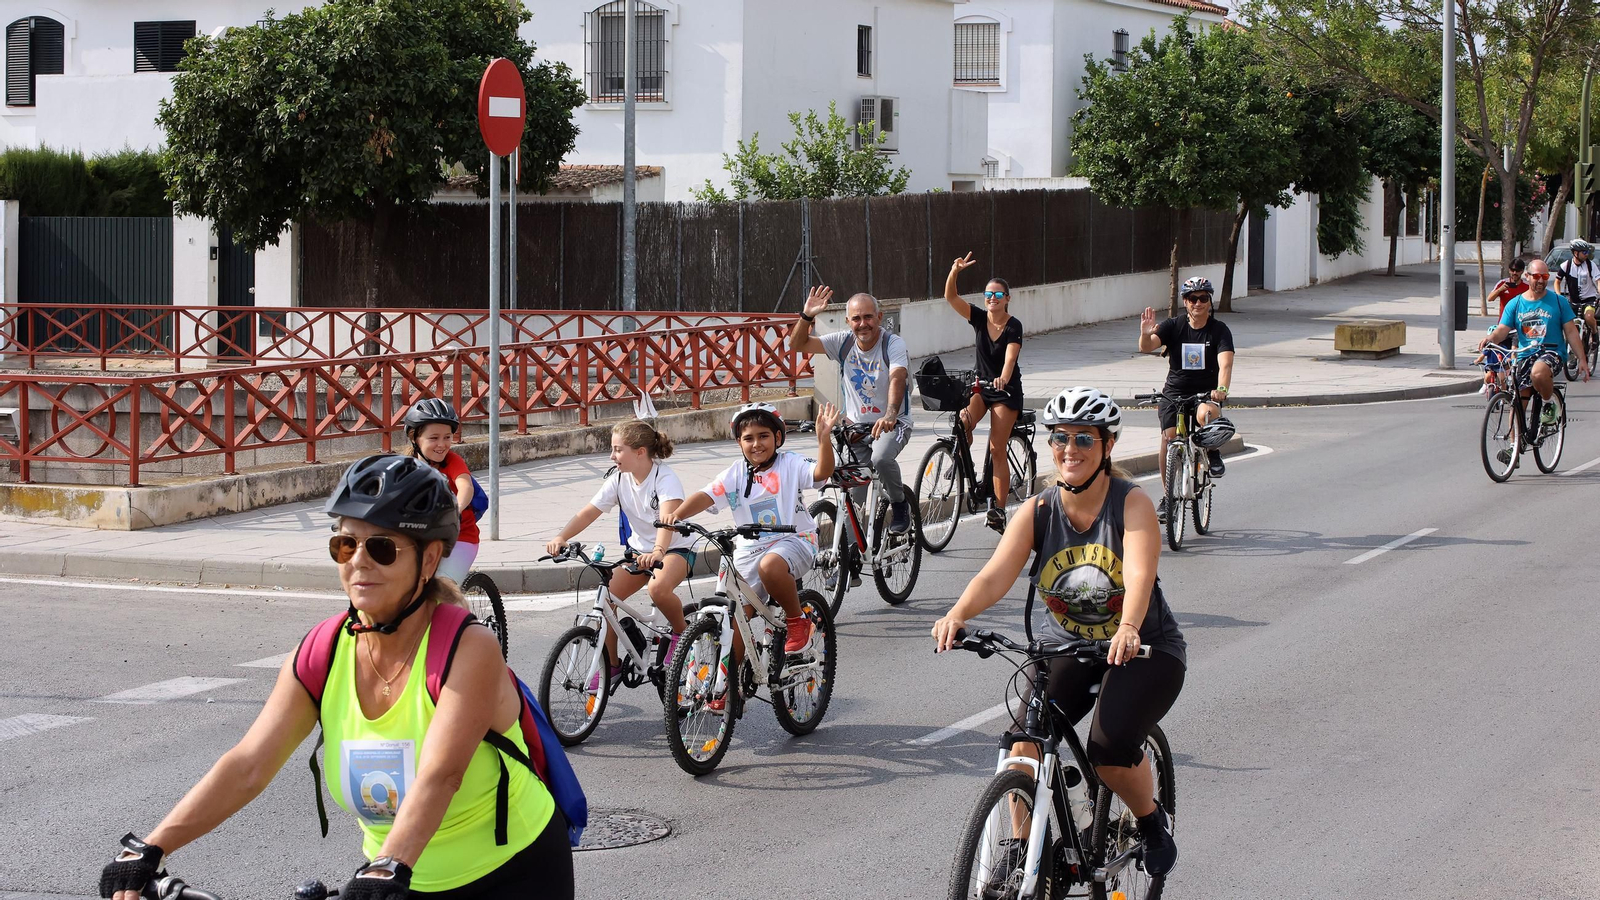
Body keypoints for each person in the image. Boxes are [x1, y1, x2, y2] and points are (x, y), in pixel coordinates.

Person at [99, 455, 574, 900]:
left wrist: (389, 864)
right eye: (345, 544)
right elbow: (248, 764)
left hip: (512, 873)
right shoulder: (323, 652)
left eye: (381, 547)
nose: (358, 561)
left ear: (429, 561)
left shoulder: (467, 649)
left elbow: (441, 774)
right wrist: (152, 846)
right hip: (394, 879)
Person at [931, 386, 1185, 877]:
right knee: (1021, 748)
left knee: (1108, 752)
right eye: (1060, 438)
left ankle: (1152, 822)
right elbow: (995, 574)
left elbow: (1137, 576)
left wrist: (1129, 626)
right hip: (1067, 646)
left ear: (1107, 445)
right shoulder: (1040, 510)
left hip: (1144, 651)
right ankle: (1027, 851)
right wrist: (958, 612)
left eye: (1084, 439)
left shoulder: (1131, 506)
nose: (1070, 449)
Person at [660, 402, 839, 697]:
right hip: (749, 547)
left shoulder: (790, 464)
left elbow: (821, 472)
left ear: (777, 438)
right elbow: (706, 495)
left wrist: (823, 439)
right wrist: (677, 515)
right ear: (739, 442)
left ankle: (797, 621)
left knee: (770, 566)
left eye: (763, 436)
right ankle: (725, 688)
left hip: (794, 540)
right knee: (731, 618)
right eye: (748, 438)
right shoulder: (735, 473)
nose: (756, 444)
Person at [544, 420, 697, 689]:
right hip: (640, 551)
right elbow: (589, 512)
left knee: (658, 589)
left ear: (639, 452)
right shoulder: (618, 478)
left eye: (617, 450)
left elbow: (668, 521)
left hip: (675, 548)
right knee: (605, 599)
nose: (611, 456)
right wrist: (562, 537)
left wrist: (659, 551)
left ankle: (681, 636)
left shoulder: (665, 478)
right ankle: (612, 665)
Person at [788, 285, 914, 534]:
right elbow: (797, 344)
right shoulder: (842, 342)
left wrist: (890, 415)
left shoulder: (893, 344)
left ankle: (900, 505)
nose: (862, 323)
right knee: (852, 502)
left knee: (880, 458)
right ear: (848, 321)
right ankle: (850, 560)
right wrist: (807, 315)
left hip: (893, 424)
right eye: (856, 318)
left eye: (868, 317)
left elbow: (898, 377)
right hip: (855, 429)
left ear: (879, 317)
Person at [1138, 276, 1234, 522]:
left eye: (1203, 298)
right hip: (1174, 392)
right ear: (1185, 301)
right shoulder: (1175, 325)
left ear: (1209, 301)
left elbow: (1225, 363)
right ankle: (1168, 496)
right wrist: (1146, 334)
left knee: (1207, 415)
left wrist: (1221, 388)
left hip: (1205, 394)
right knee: (1168, 438)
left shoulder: (1219, 330)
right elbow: (1147, 347)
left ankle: (1212, 452)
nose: (1198, 303)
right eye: (1193, 299)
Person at [944, 252, 1025, 532]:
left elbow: (1010, 358)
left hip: (1005, 390)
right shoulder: (979, 318)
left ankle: (999, 510)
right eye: (989, 294)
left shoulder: (1013, 325)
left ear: (1007, 298)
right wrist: (955, 272)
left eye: (998, 294)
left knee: (996, 447)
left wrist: (1003, 377)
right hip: (981, 387)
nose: (992, 298)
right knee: (963, 421)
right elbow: (951, 298)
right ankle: (961, 463)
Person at [1478, 258, 1591, 427]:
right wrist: (1490, 338)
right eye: (1536, 276)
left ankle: (1548, 403)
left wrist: (1582, 359)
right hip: (1525, 354)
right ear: (1527, 276)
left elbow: (1571, 332)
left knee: (1538, 372)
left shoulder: (1559, 302)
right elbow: (1503, 329)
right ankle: (1514, 446)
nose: (1541, 280)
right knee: (1517, 403)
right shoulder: (1515, 304)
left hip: (1551, 352)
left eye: (1544, 276)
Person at [402, 399, 478, 584]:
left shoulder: (452, 461)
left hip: (460, 538)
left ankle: (456, 613)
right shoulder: (405, 467)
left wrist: (455, 510)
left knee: (444, 590)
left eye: (447, 437)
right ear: (414, 437)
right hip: (422, 539)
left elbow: (465, 487)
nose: (442, 444)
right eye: (434, 438)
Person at [1555, 238, 1600, 337]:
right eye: (1584, 252)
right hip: (1573, 301)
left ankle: (1595, 333)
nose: (1587, 254)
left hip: (1589, 299)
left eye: (1588, 252)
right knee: (1565, 322)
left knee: (1588, 317)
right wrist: (1559, 296)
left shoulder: (1590, 265)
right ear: (1575, 253)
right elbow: (1557, 281)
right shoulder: (1566, 265)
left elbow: (1598, 281)